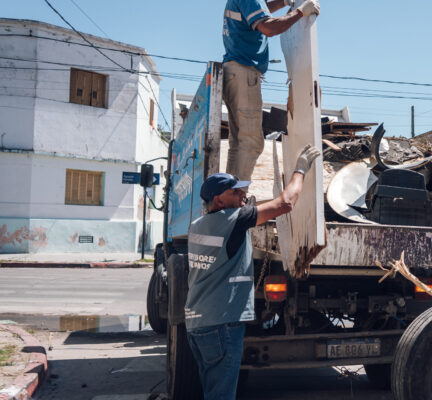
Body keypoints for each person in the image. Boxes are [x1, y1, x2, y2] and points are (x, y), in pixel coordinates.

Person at [184, 144, 320, 400]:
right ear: (218, 200)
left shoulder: (198, 225)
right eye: (235, 192)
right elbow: (285, 203)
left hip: (198, 324)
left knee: (212, 391)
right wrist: (300, 169)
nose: (242, 194)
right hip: (222, 325)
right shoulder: (232, 220)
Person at [222, 0, 321, 181]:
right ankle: (236, 197)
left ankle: (228, 192)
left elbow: (260, 11)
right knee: (252, 143)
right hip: (244, 72)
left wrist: (283, 2)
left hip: (233, 72)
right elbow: (269, 28)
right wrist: (300, 12)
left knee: (238, 144)